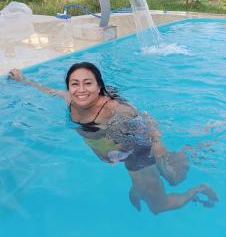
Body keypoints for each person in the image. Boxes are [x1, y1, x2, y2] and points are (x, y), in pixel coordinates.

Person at [8, 62, 218, 214]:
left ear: (99, 86)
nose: (80, 90)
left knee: (159, 203)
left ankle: (198, 182)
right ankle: (158, 171)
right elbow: (46, 90)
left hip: (138, 150)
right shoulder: (69, 99)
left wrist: (159, 147)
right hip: (121, 153)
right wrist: (22, 79)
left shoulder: (113, 108)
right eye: (75, 84)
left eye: (88, 83)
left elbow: (146, 119)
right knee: (169, 177)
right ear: (69, 87)